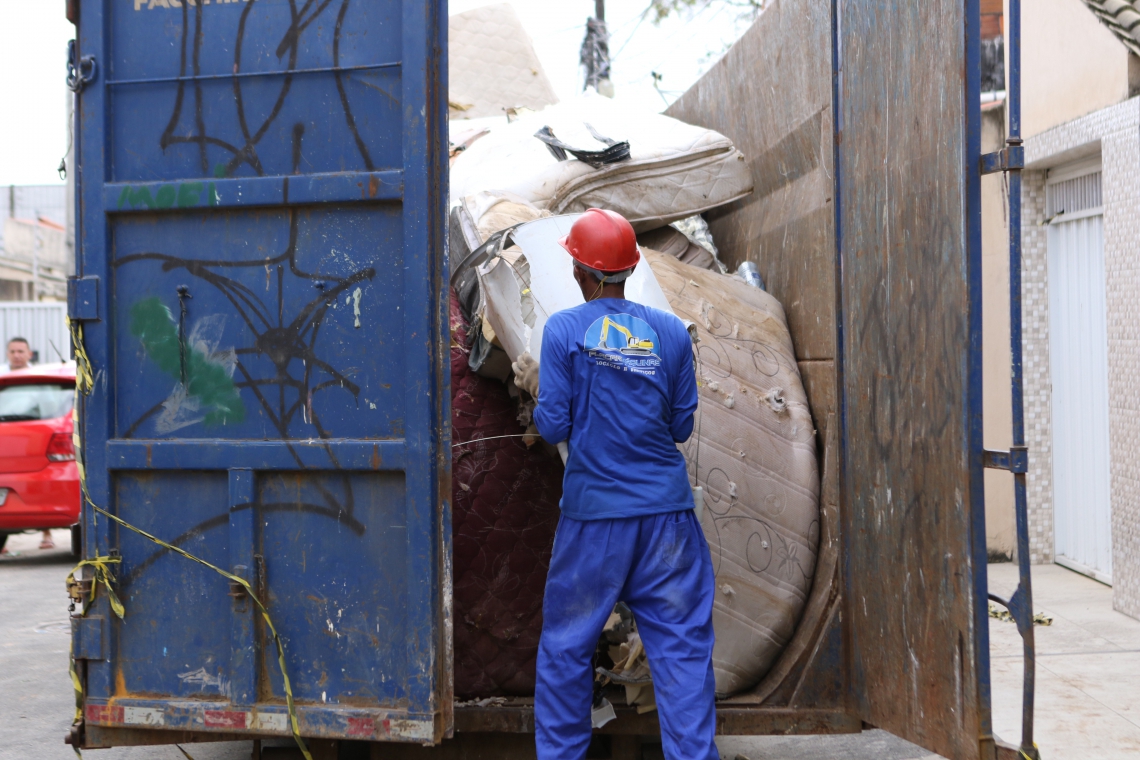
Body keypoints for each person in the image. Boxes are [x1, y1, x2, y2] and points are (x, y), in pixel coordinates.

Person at [515, 208, 716, 760]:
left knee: (566, 650)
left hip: (594, 522)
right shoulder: (672, 332)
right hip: (668, 524)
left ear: (581, 273)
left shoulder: (562, 330)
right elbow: (681, 426)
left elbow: (553, 426)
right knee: (682, 653)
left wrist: (548, 391)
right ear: (629, 270)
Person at [0, 338, 52, 550]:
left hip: (31, 436)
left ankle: (46, 534)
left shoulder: (37, 379)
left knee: (36, 487)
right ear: (7, 354)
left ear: (30, 354)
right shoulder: (3, 377)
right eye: (13, 351)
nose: (17, 355)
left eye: (21, 351)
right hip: (6, 437)